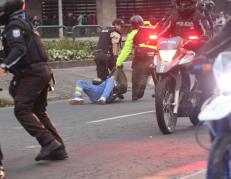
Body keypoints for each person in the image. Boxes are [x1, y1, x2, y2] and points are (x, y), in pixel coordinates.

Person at [0, 0, 67, 161]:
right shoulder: (25, 23)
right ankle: (58, 148)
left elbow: (19, 49)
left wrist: (3, 66)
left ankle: (48, 142)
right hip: (42, 71)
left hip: (32, 74)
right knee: (38, 110)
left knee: (22, 109)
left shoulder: (14, 26)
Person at [116, 15, 157, 101]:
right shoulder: (150, 30)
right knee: (148, 73)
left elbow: (126, 50)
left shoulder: (133, 34)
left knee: (135, 75)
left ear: (132, 25)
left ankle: (135, 94)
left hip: (139, 57)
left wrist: (119, 62)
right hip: (151, 56)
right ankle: (150, 88)